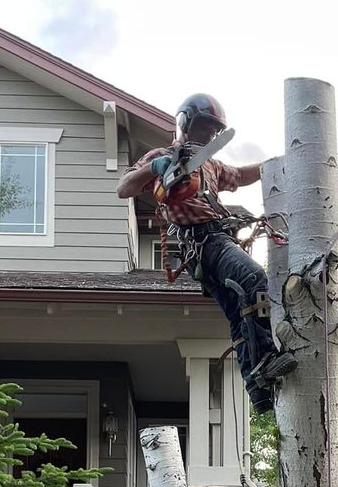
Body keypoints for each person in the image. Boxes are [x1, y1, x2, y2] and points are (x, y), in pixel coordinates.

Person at [116, 93, 296, 414]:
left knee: (240, 309)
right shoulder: (163, 156)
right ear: (185, 123)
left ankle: (258, 390)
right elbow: (124, 187)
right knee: (254, 278)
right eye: (203, 128)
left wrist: (273, 167)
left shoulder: (211, 165)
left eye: (213, 132)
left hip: (214, 244)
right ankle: (267, 357)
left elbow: (239, 176)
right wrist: (155, 168)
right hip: (203, 244)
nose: (209, 136)